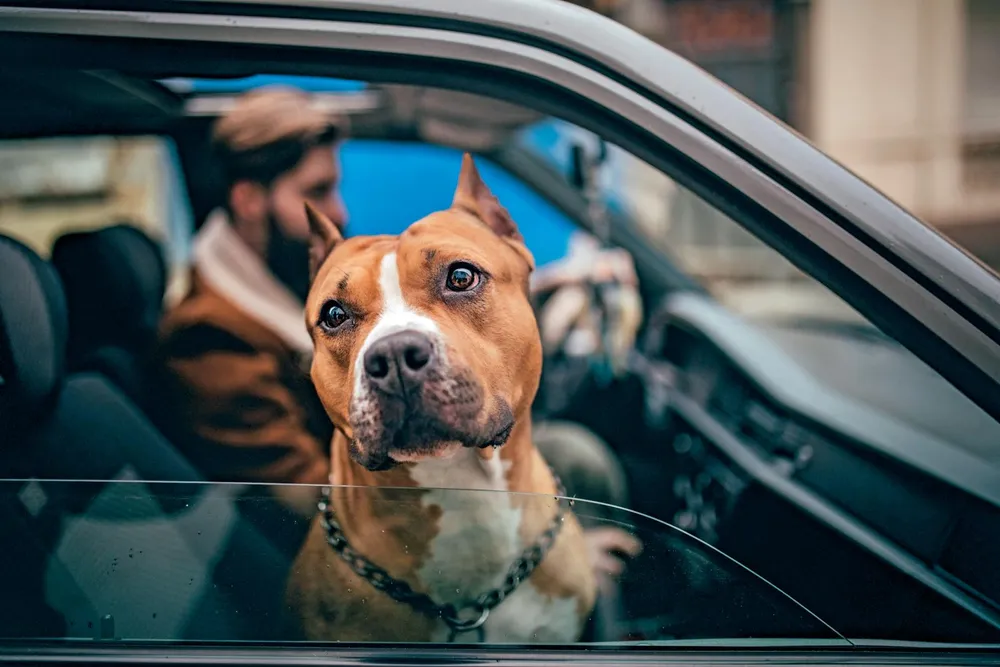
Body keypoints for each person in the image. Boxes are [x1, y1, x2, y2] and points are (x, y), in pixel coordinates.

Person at [153, 89, 639, 573]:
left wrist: (538, 284)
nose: (338, 213)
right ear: (249, 201)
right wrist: (544, 556)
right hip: (377, 532)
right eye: (317, 191)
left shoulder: (274, 288)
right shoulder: (208, 337)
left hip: (406, 469)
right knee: (577, 461)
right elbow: (306, 498)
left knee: (575, 456)